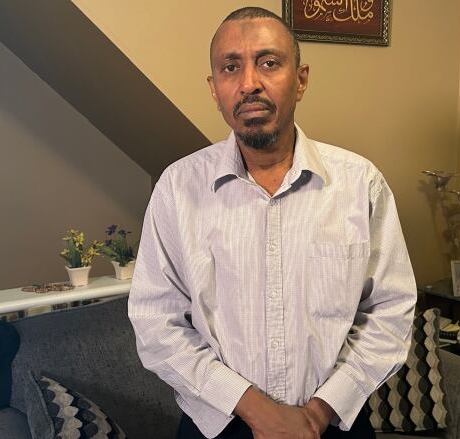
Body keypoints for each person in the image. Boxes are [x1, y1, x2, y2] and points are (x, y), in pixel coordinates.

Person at [129, 6, 416, 439]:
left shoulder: (360, 184)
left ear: (300, 80)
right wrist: (255, 409)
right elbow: (156, 322)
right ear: (215, 88)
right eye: (231, 67)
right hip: (219, 424)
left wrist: (318, 411)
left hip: (332, 424)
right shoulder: (178, 188)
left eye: (269, 62)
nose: (249, 84)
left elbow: (390, 310)